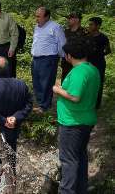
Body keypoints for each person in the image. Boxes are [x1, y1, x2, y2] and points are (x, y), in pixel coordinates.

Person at [53, 39, 100, 194]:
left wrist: (57, 89)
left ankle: (67, 191)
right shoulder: (92, 69)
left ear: (69, 56)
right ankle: (80, 189)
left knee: (68, 161)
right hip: (85, 120)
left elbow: (75, 96)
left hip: (73, 122)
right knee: (79, 156)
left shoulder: (80, 71)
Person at [0, 56, 32, 188]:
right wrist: (16, 117)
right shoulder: (21, 84)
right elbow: (29, 104)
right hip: (13, 126)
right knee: (11, 150)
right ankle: (12, 179)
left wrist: (2, 120)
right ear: (8, 69)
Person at [31, 7, 66, 112]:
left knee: (46, 83)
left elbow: (62, 43)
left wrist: (63, 57)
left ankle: (45, 106)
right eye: (36, 16)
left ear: (47, 17)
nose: (36, 19)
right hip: (36, 59)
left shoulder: (55, 27)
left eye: (39, 16)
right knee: (36, 83)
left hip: (49, 59)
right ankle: (40, 104)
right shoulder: (37, 27)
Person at [87, 17, 111, 109]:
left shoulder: (103, 38)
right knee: (87, 82)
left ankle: (96, 104)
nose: (89, 26)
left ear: (98, 26)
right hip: (87, 62)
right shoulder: (86, 36)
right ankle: (87, 102)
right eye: (89, 24)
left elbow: (108, 50)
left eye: (91, 24)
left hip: (99, 63)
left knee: (98, 83)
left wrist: (100, 54)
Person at [61, 13, 89, 81]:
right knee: (65, 84)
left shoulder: (85, 32)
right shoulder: (66, 32)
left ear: (77, 20)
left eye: (70, 18)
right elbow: (61, 45)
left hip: (79, 64)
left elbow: (89, 49)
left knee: (77, 84)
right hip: (66, 64)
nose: (68, 20)